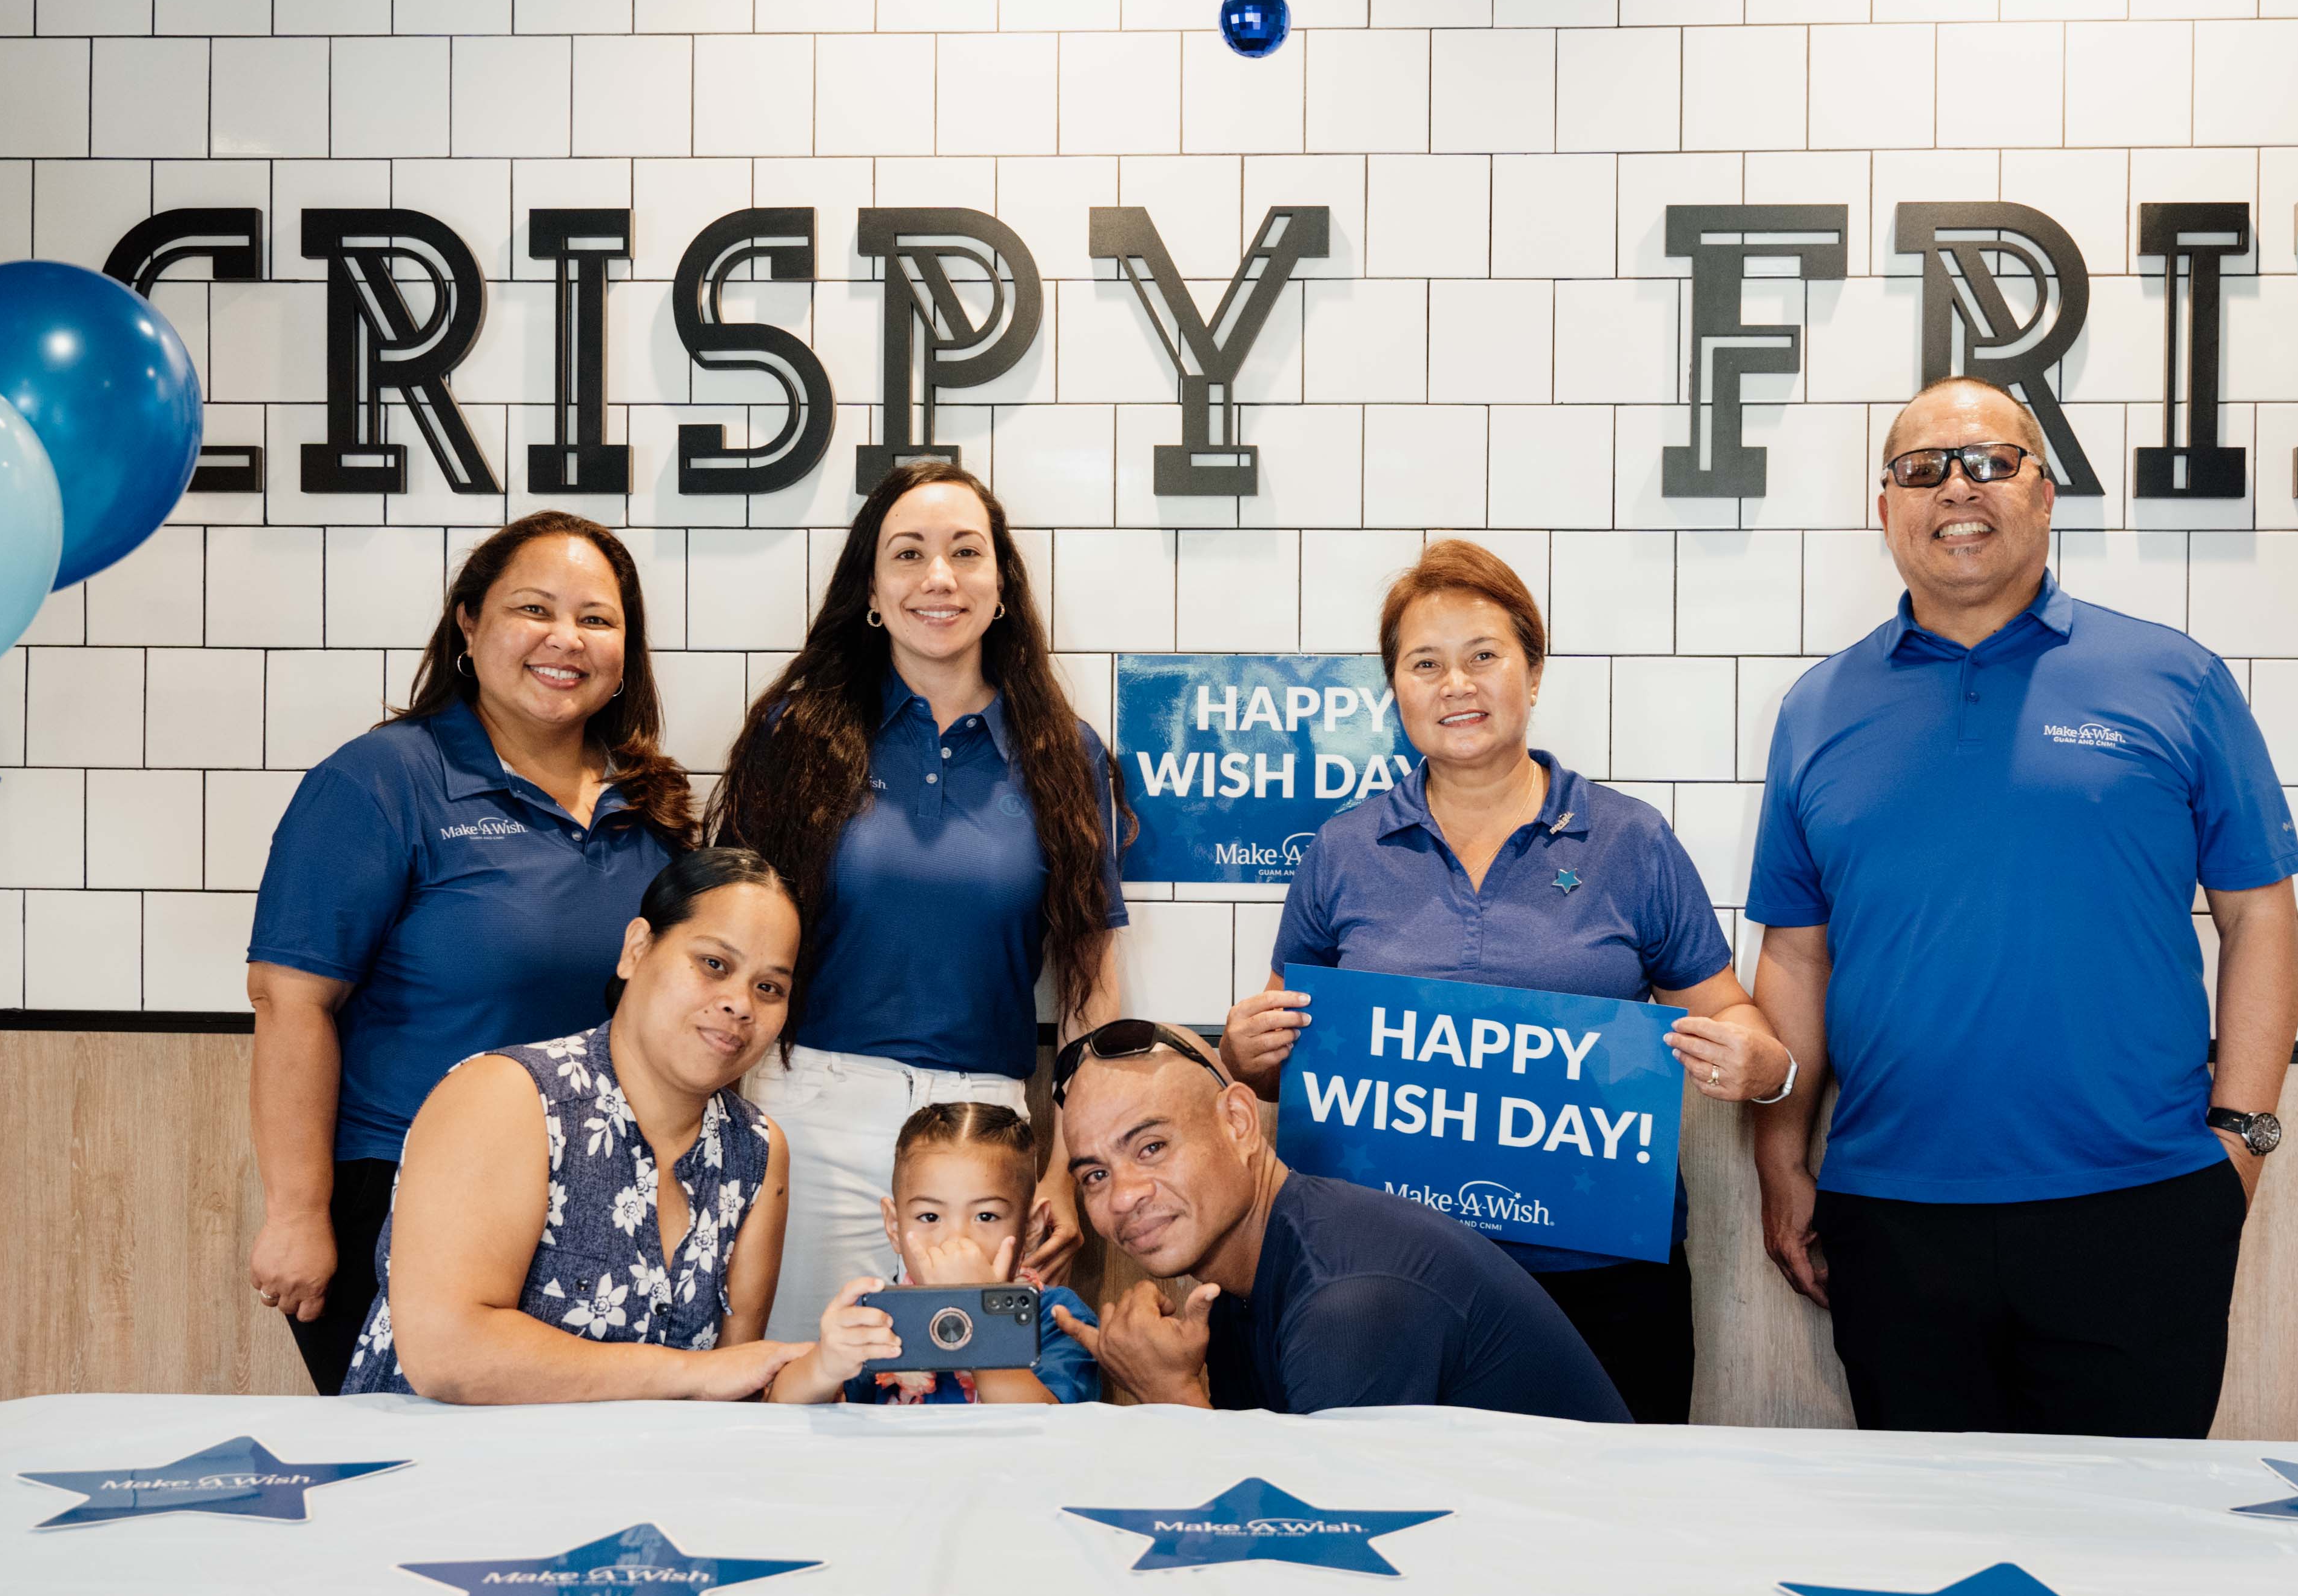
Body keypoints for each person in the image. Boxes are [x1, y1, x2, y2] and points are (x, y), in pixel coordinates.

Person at [1746, 376, 2298, 1440]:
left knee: (2132, 1561)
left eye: (1990, 460)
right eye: (1921, 468)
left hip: (2138, 1207)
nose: (1956, 486)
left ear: (2045, 493)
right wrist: (1780, 1161)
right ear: (1885, 508)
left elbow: (2260, 919)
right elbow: (1797, 956)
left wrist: (2237, 1139)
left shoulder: (2172, 679)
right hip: (1891, 1213)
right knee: (1922, 1563)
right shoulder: (1816, 709)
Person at [1215, 541, 1789, 1423]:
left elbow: (1732, 1014)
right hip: (1383, 1276)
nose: (1458, 683)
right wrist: (1245, 1052)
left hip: (1602, 1276)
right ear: (1395, 688)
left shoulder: (1630, 842)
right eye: (1426, 662)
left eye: (1484, 654)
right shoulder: (1341, 849)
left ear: (1533, 670)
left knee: (1610, 1531)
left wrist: (1757, 1063)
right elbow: (1280, 1053)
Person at [245, 513, 697, 1393]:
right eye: (534, 608)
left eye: (598, 619)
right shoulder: (381, 781)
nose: (565, 639)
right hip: (406, 1198)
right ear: (468, 623)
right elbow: (288, 1001)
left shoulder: (654, 807)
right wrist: (297, 1214)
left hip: (595, 1202)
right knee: (423, 1493)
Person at [706, 459, 1127, 1332]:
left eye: (966, 552)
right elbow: (727, 948)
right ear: (871, 586)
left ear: (1002, 584)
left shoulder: (1062, 750)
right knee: (804, 1394)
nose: (939, 578)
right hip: (810, 1118)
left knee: (970, 1407)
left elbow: (1091, 983)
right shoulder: (797, 733)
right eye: (908, 553)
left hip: (986, 1132)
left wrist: (1068, 1165)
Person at [343, 846, 811, 1403]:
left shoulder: (756, 1150)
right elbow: (448, 1355)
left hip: (631, 1480)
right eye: (714, 964)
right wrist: (689, 1374)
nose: (740, 1004)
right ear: (637, 949)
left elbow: (734, 1387)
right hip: (440, 1471)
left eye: (769, 988)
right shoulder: (506, 1096)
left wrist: (833, 1366)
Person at [1048, 1020, 1630, 1422]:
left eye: (1151, 1147)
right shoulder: (1237, 1271)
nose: (1122, 1198)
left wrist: (1168, 1393)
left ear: (1239, 1123)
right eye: (1094, 1175)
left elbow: (1318, 1561)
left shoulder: (1347, 1298)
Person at [765, 1102, 1102, 1407]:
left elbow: (1051, 1429)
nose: (955, 1239)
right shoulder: (883, 1316)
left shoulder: (1057, 1316)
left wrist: (979, 1315)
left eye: (986, 1216)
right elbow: (783, 1405)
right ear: (895, 1227)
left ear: (1031, 1227)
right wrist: (825, 1363)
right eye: (930, 1217)